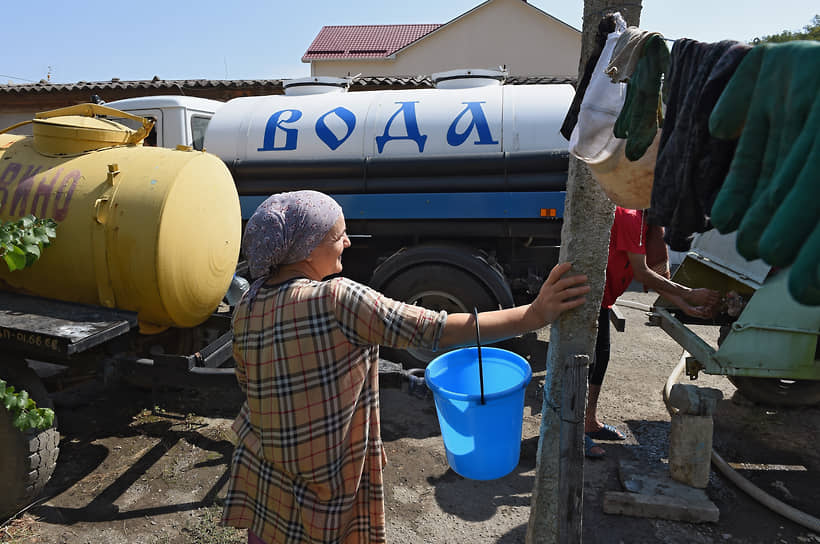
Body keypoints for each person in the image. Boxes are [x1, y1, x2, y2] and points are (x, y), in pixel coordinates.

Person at [221, 190, 590, 543]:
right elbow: (435, 328)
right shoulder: (337, 299)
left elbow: (247, 383)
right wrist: (533, 314)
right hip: (327, 483)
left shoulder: (248, 305)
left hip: (267, 478)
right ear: (307, 247)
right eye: (338, 235)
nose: (347, 242)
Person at [584, 206, 720, 458]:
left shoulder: (647, 222)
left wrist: (686, 306)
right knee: (584, 362)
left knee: (599, 359)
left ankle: (588, 422)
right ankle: (571, 432)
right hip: (588, 296)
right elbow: (641, 272)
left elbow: (655, 275)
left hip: (600, 298)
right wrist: (689, 294)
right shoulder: (631, 217)